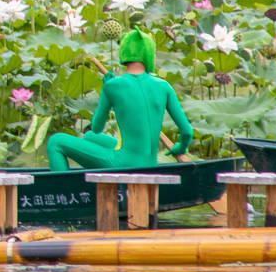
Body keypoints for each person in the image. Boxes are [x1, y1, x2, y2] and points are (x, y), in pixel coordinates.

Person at [46, 29, 192, 171]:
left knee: (55, 141)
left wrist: (106, 90)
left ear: (124, 53)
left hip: (123, 164)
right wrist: (181, 147)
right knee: (89, 137)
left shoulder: (112, 86)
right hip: (150, 163)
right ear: (147, 55)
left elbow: (96, 127)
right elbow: (187, 132)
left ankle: (63, 187)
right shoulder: (164, 86)